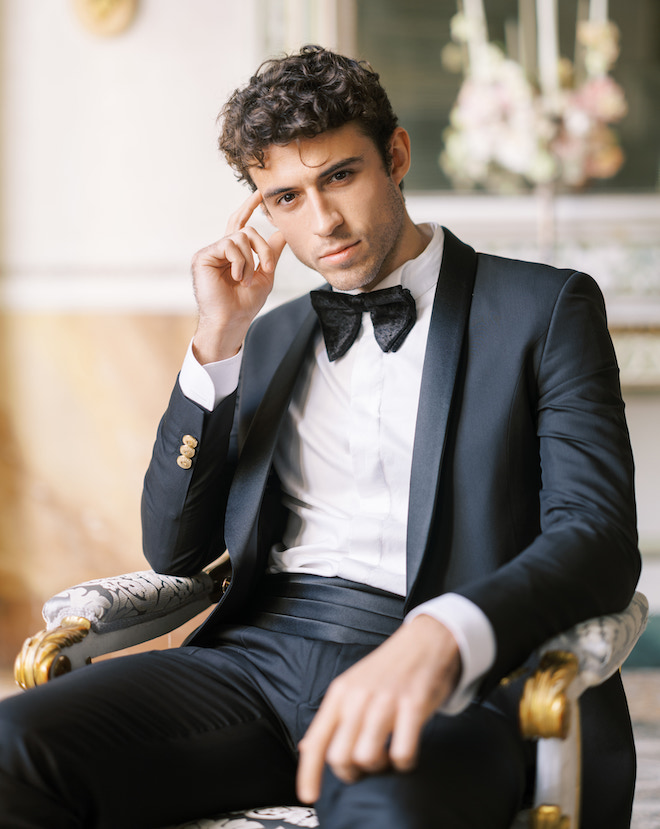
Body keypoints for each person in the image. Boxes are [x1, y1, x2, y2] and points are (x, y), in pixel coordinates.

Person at [0, 45, 640, 829]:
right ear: (259, 210)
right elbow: (173, 549)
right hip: (258, 658)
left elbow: (598, 537)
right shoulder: (263, 338)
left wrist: (446, 633)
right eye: (285, 198)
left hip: (448, 674)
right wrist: (217, 340)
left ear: (396, 156)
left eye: (340, 176)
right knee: (14, 745)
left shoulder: (543, 308)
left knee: (382, 806)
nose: (323, 222)